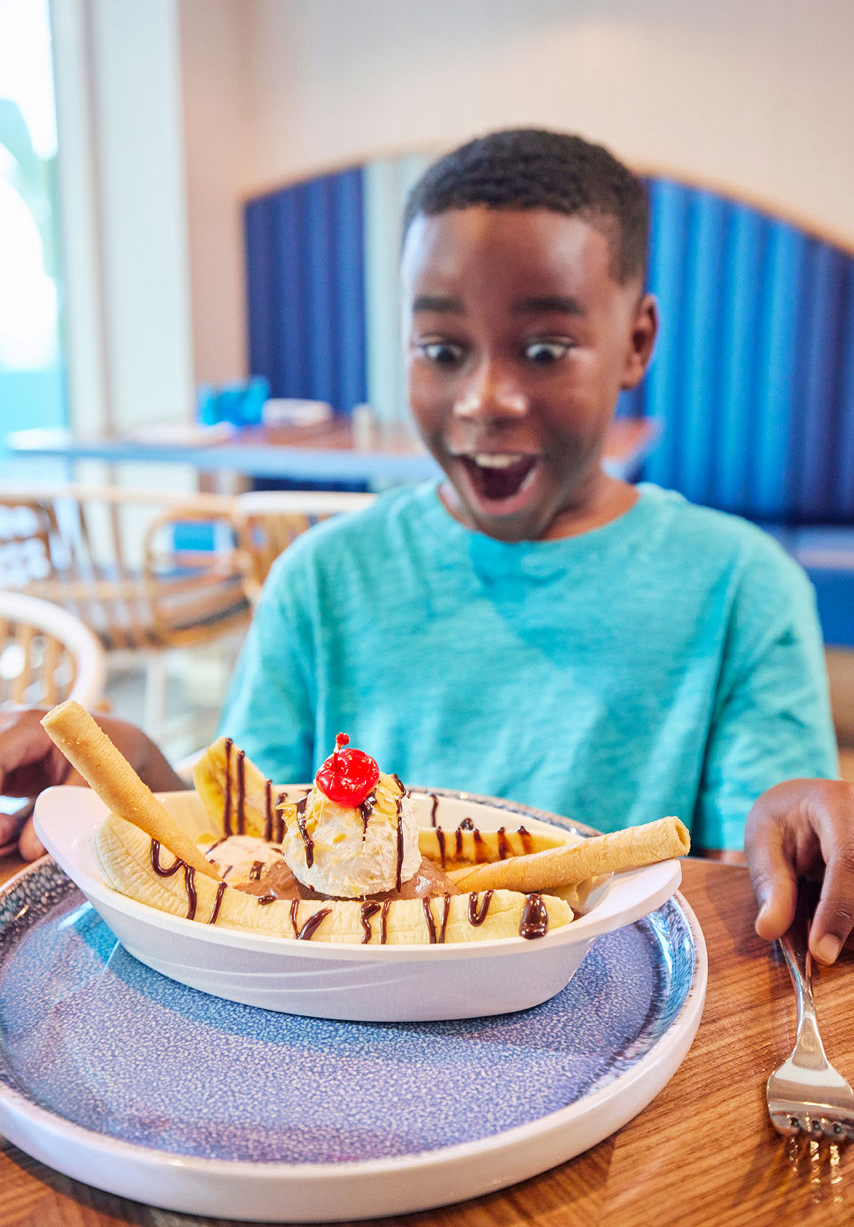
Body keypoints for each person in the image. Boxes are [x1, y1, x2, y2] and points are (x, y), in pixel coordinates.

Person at [0, 128, 850, 963]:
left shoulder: (739, 585)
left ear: (635, 341)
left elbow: (761, 855)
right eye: (443, 350)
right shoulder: (324, 579)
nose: (486, 398)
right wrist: (128, 768)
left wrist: (800, 816)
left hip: (608, 1008)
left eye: (545, 348)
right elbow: (245, 839)